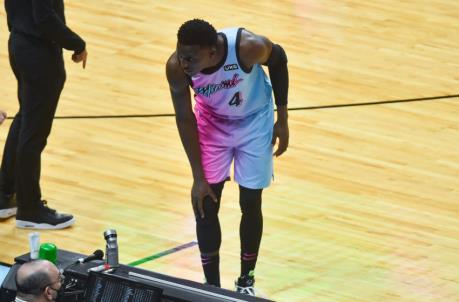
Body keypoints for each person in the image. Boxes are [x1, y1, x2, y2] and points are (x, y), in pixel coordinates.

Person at [166, 19, 289, 295]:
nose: (184, 62)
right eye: (181, 54)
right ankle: (211, 287)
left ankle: (247, 280)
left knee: (250, 200)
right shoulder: (176, 67)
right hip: (212, 124)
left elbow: (280, 59)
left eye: (191, 57)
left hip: (255, 120)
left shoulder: (248, 47)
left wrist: (282, 119)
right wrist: (197, 177)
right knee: (205, 202)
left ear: (212, 51)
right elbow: (185, 118)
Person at [0, 0, 87, 229]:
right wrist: (77, 43)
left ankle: (4, 196)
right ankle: (30, 209)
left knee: (24, 121)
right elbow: (44, 16)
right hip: (39, 52)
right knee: (33, 133)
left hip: (19, 43)